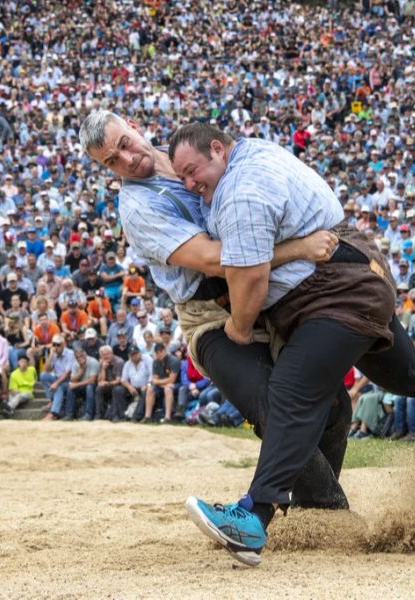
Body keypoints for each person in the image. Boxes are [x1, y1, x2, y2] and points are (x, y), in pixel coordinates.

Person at [167, 122, 415, 566]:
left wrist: (239, 329)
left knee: (290, 392)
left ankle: (253, 517)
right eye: (180, 176)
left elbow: (251, 274)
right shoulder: (253, 153)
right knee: (411, 372)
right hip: (357, 275)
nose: (188, 182)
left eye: (192, 170)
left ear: (217, 149)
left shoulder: (239, 191)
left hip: (335, 294)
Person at [80, 110, 353, 515]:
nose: (126, 159)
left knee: (332, 401)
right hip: (208, 311)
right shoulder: (137, 208)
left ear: (134, 127)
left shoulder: (186, 153)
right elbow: (213, 260)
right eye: (111, 161)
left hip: (262, 293)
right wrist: (297, 248)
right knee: (270, 403)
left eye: (123, 144)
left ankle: (308, 515)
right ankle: (329, 515)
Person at [40, 334, 75, 421]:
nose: (56, 347)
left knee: (58, 387)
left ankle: (53, 413)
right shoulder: (53, 354)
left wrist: (56, 383)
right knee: (43, 376)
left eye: (58, 345)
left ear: (63, 344)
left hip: (68, 380)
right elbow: (45, 370)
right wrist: (51, 355)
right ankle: (52, 399)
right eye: (54, 344)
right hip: (57, 378)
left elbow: (67, 373)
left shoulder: (70, 353)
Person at [94, 345, 126, 421]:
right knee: (99, 389)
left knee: (116, 389)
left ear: (112, 353)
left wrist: (107, 383)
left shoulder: (119, 362)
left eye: (107, 354)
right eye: (103, 355)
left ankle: (115, 415)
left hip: (120, 386)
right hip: (108, 385)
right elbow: (100, 381)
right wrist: (103, 369)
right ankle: (99, 414)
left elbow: (119, 380)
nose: (106, 356)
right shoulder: (102, 362)